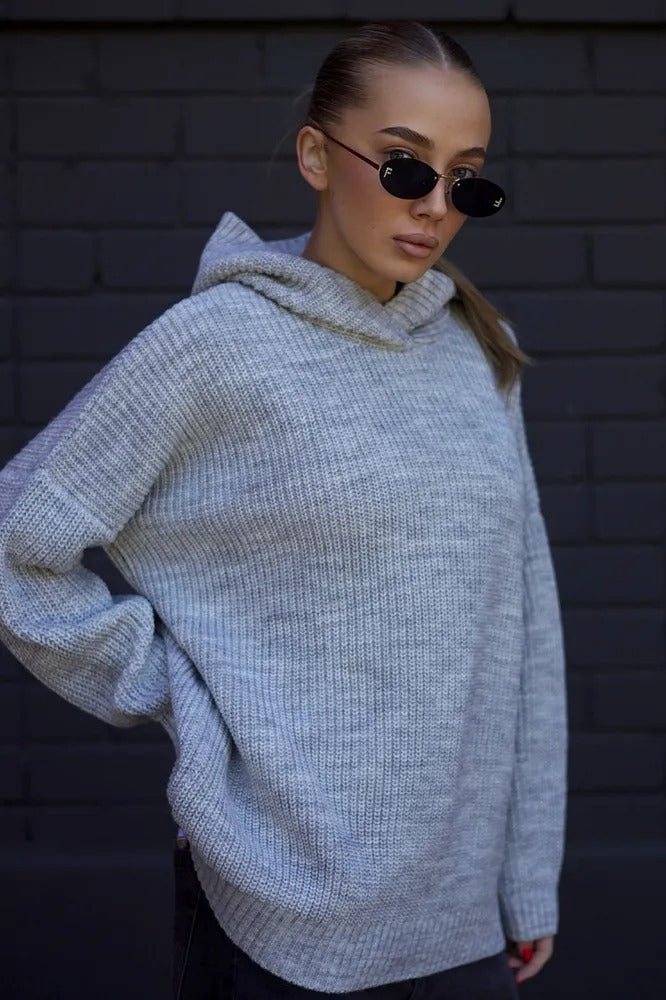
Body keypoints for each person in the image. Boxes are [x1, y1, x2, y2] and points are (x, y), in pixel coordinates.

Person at [0, 19, 568, 1000]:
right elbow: (19, 542)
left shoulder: (480, 350)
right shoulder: (214, 345)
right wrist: (181, 697)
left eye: (467, 180)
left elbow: (526, 619)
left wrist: (528, 878)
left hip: (460, 919)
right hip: (278, 915)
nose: (436, 206)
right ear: (316, 155)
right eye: (404, 167)